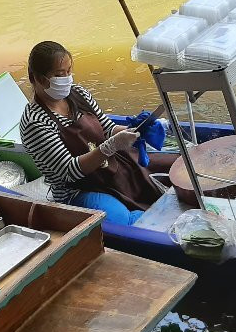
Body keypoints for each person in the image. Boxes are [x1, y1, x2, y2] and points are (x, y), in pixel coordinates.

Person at [20, 41, 174, 225]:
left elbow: (107, 128)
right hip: (79, 189)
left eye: (69, 71)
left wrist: (135, 130)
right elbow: (70, 171)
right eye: (60, 75)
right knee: (127, 221)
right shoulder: (34, 122)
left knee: (177, 168)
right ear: (37, 78)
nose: (67, 78)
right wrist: (111, 146)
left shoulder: (78, 93)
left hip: (113, 165)